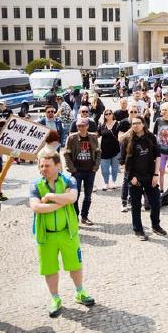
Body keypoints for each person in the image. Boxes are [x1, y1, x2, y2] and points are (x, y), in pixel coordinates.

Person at [29, 149, 95, 317]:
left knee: (75, 265)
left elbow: (72, 198)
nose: (44, 169)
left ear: (58, 166)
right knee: (49, 268)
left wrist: (50, 196)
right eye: (41, 166)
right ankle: (55, 298)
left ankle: (80, 292)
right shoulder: (35, 184)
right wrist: (60, 202)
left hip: (68, 233)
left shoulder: (68, 179)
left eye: (47, 165)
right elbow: (36, 207)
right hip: (46, 235)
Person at [122, 115, 165, 239]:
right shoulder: (127, 140)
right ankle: (138, 230)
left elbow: (157, 156)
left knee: (155, 203)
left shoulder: (150, 137)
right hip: (134, 178)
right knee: (136, 206)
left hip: (150, 176)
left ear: (143, 124)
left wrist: (156, 174)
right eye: (133, 123)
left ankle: (156, 226)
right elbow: (123, 162)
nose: (135, 125)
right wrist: (131, 177)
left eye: (138, 123)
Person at [64, 119, 101, 225]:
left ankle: (84, 217)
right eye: (79, 126)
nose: (81, 128)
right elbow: (66, 154)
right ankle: (74, 216)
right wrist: (72, 169)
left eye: (83, 126)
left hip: (90, 170)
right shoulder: (72, 138)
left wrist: (96, 166)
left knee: (88, 196)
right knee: (75, 195)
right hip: (77, 171)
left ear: (88, 126)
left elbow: (98, 152)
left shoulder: (93, 137)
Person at [97, 110, 120, 190]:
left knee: (114, 168)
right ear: (104, 116)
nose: (108, 115)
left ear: (112, 114)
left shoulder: (117, 124)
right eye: (106, 114)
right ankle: (106, 183)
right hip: (104, 150)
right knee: (104, 169)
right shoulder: (102, 125)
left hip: (115, 150)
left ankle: (113, 182)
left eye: (110, 113)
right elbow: (97, 134)